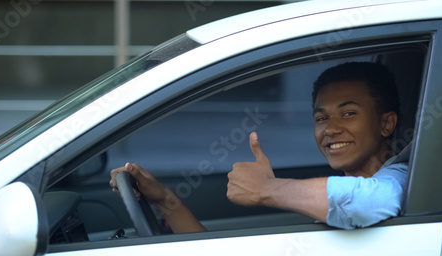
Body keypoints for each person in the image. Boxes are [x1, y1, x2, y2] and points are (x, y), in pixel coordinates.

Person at [110, 61, 408, 232]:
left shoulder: (404, 177)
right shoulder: (338, 194)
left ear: (386, 123)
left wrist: (269, 189)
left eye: (348, 113)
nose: (330, 128)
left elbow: (375, 201)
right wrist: (163, 199)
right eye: (321, 117)